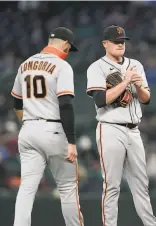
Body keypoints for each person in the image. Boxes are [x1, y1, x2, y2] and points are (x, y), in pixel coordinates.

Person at [86, 25, 156, 226]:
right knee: (112, 185)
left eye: (123, 41)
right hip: (110, 128)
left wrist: (136, 84)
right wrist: (125, 81)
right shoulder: (96, 67)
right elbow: (100, 99)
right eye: (116, 41)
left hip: (133, 130)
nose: (120, 45)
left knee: (141, 184)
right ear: (105, 44)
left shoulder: (135, 64)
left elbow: (146, 99)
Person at [11, 27, 84, 226]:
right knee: (68, 187)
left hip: (28, 129)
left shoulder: (25, 64)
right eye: (70, 48)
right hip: (53, 130)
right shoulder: (62, 66)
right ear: (66, 44)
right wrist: (71, 141)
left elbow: (17, 102)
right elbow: (66, 104)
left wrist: (28, 125)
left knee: (26, 188)